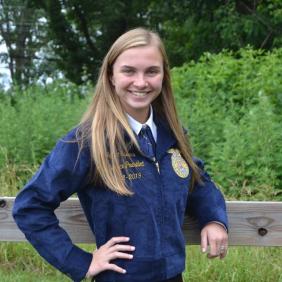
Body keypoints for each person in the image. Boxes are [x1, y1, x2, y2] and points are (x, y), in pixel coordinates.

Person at [13, 27, 228, 282]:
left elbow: (197, 182)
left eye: (151, 71)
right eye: (129, 71)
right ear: (111, 76)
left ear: (163, 77)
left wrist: (214, 219)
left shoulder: (172, 135)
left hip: (173, 276)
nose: (141, 82)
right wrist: (80, 262)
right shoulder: (86, 142)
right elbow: (30, 206)